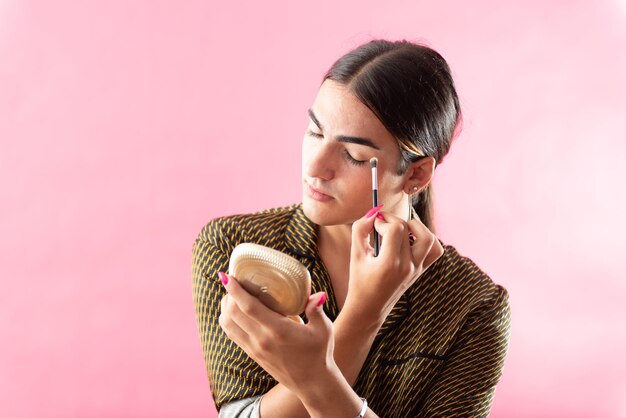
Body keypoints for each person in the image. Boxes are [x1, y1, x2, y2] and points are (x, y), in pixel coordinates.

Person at [192, 39, 511, 418]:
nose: (316, 167)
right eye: (314, 132)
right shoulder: (233, 245)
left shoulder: (472, 306)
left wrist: (322, 371)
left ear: (416, 173)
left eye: (353, 155)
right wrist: (360, 320)